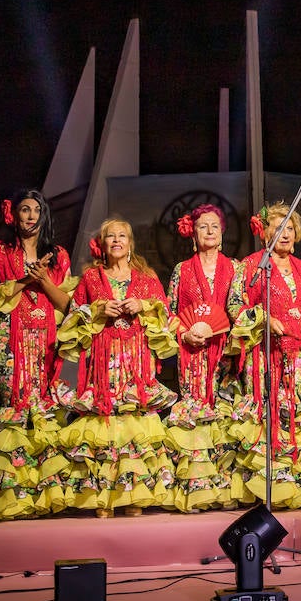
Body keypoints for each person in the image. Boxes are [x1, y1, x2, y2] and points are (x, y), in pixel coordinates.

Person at [0, 191, 76, 519]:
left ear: (44, 216)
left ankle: (45, 491)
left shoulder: (59, 256)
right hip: (10, 339)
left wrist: (45, 280)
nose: (29, 216)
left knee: (44, 408)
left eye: (36, 210)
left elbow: (67, 305)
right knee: (16, 407)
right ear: (14, 215)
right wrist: (29, 278)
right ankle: (15, 494)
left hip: (46, 339)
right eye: (24, 209)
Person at [55, 217, 177, 516]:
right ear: (103, 244)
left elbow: (165, 313)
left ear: (130, 243)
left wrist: (143, 306)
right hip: (105, 357)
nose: (117, 240)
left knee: (134, 420)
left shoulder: (146, 277)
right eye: (111, 236)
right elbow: (73, 314)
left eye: (122, 235)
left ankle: (133, 494)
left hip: (136, 357)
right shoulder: (91, 278)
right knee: (106, 423)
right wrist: (98, 309)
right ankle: (105, 496)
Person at [227, 202, 301, 508]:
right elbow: (235, 306)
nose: (284, 233)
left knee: (299, 419)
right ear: (264, 232)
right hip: (266, 356)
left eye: (289, 227)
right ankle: (271, 488)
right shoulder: (250, 266)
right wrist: (263, 316)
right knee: (270, 418)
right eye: (277, 227)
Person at [165, 204, 239, 512]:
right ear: (193, 234)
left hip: (224, 352)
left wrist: (231, 333)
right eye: (202, 227)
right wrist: (184, 333)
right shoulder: (182, 270)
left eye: (214, 226)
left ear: (222, 232)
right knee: (195, 412)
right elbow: (168, 312)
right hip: (192, 353)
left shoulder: (235, 267)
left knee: (223, 410)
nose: (208, 231)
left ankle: (223, 487)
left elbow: (238, 308)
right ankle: (196, 487)